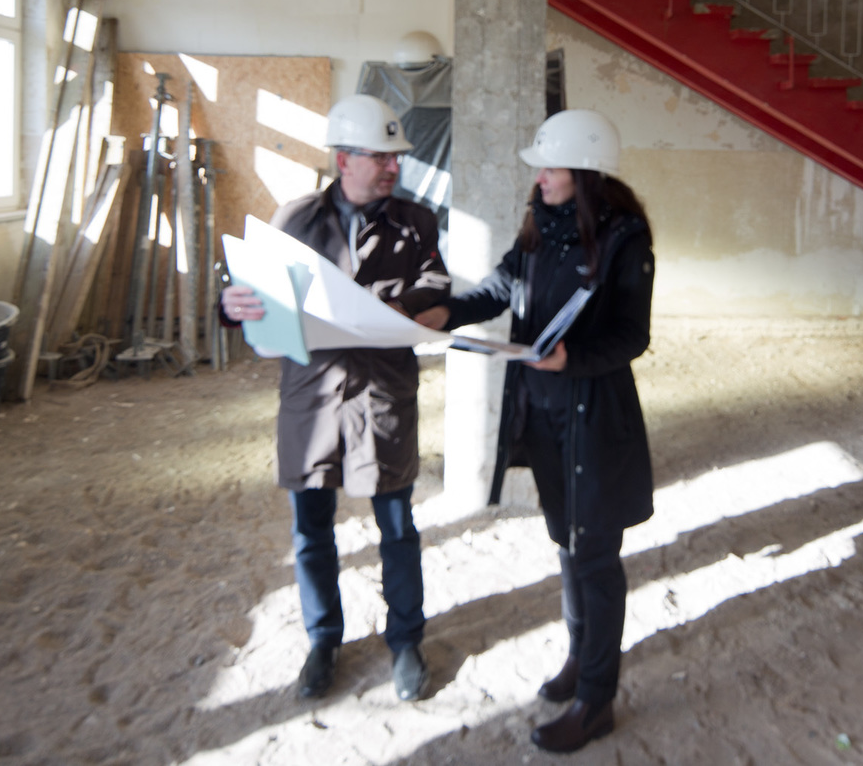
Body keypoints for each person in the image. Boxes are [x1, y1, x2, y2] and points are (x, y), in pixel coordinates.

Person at [412, 109, 655, 752]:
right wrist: (447, 311)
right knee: (569, 545)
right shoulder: (540, 227)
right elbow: (499, 288)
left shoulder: (626, 238)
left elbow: (632, 336)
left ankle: (597, 700)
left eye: (549, 166)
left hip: (594, 419)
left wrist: (573, 359)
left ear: (583, 171)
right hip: (542, 415)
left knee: (595, 558)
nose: (539, 177)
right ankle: (581, 658)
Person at [220, 93, 449, 702]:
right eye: (381, 156)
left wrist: (403, 311)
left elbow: (438, 290)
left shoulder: (416, 222)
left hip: (383, 392)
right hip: (312, 393)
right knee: (310, 529)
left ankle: (406, 641)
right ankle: (324, 641)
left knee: (396, 525)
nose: (393, 167)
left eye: (396, 157)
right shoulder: (293, 218)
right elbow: (252, 295)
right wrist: (231, 304)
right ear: (344, 158)